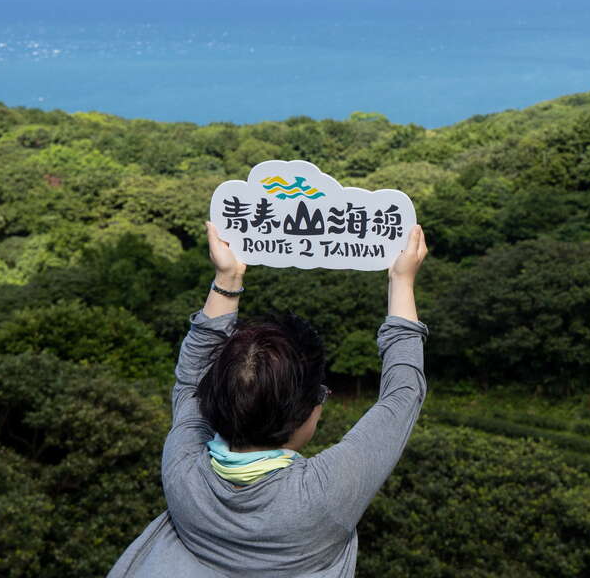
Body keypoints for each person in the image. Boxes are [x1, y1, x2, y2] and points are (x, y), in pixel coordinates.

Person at [108, 221, 429, 577]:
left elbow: (190, 377)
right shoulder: (322, 497)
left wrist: (227, 279)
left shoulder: (183, 467)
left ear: (214, 399)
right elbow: (403, 394)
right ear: (306, 413)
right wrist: (401, 281)